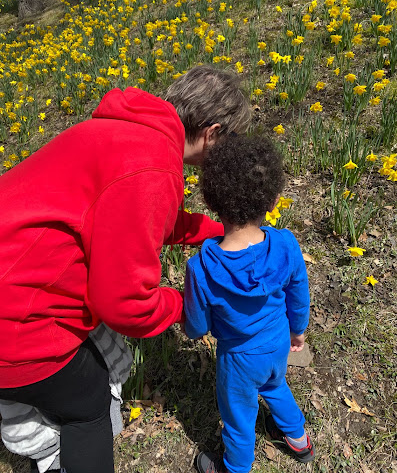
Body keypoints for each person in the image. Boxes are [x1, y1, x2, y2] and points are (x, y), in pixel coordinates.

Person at [0, 65, 251, 473]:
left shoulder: (123, 134)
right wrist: (188, 301)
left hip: (11, 276)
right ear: (212, 133)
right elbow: (125, 306)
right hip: (14, 320)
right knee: (87, 402)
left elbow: (146, 217)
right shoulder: (151, 167)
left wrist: (222, 230)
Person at [184, 135, 315, 473]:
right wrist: (297, 332)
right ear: (272, 201)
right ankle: (298, 440)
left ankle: (235, 466)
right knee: (275, 386)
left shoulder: (202, 268)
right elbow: (299, 293)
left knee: (238, 414)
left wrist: (198, 323)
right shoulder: (286, 244)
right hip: (277, 343)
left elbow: (196, 326)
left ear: (212, 203)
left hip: (238, 359)